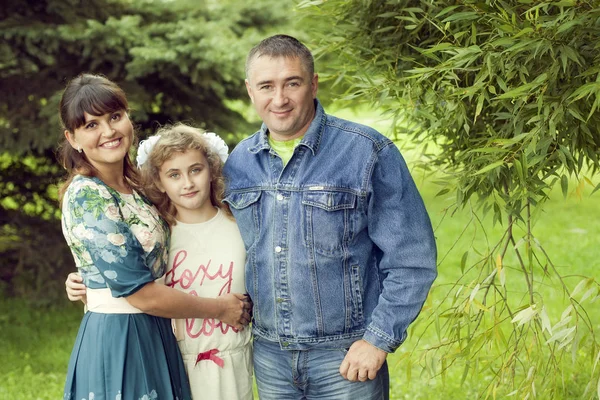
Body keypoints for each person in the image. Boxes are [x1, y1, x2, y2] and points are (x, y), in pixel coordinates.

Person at [222, 34, 438, 399]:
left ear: (314, 83)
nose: (279, 99)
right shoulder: (239, 163)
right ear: (250, 90)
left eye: (292, 83)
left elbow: (412, 259)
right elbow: (199, 230)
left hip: (345, 357)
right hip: (270, 357)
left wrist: (378, 340)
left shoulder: (367, 151)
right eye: (266, 86)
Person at [58, 74, 250, 400]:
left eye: (115, 117)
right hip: (122, 337)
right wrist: (219, 309)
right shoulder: (87, 196)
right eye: (91, 125)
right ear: (72, 138)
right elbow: (141, 295)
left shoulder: (134, 185)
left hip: (157, 332)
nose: (108, 132)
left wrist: (87, 277)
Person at [136, 124, 253, 400]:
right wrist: (86, 288)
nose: (187, 183)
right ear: (159, 182)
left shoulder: (238, 225)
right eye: (174, 175)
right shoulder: (156, 234)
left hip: (232, 361)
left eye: (195, 170)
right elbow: (133, 287)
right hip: (174, 363)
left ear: (211, 171)